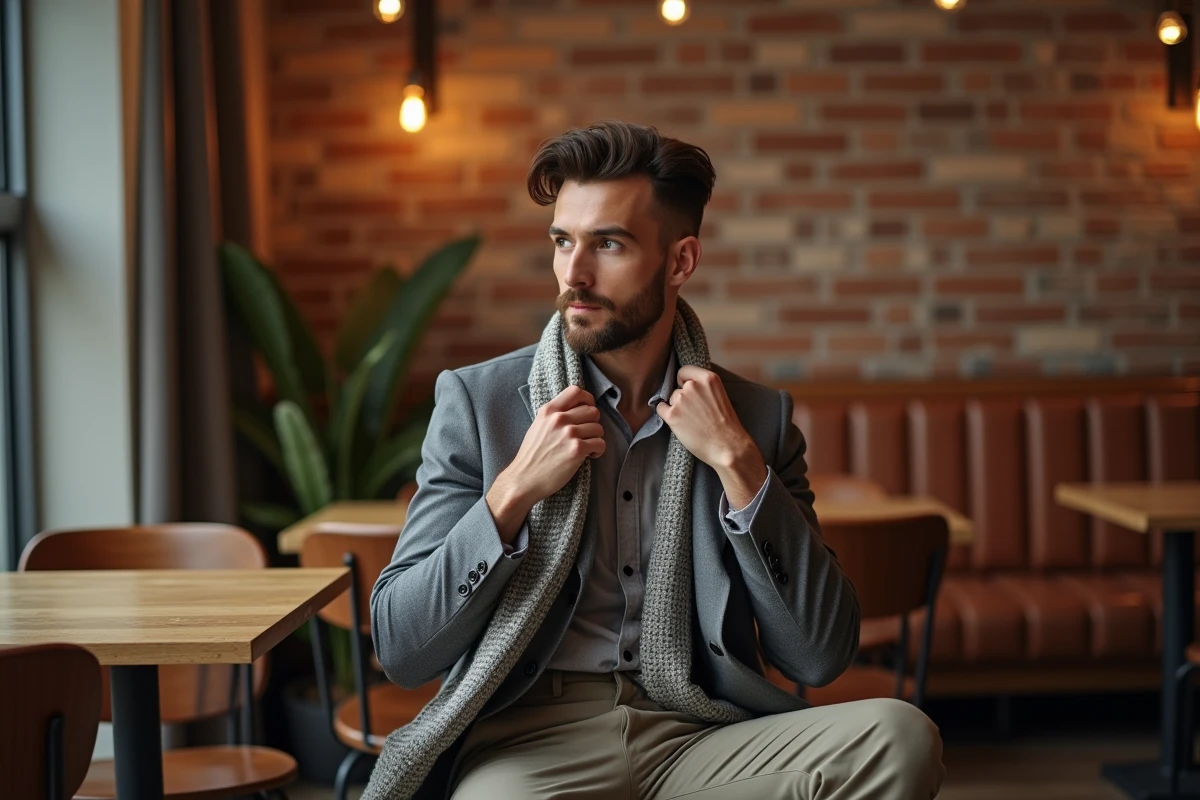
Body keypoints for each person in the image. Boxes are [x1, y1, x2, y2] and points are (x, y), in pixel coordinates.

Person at [364, 120, 945, 800]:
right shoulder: (480, 403)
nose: (574, 275)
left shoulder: (755, 419)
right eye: (562, 242)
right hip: (530, 742)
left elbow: (818, 654)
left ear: (680, 261)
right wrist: (512, 492)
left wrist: (740, 466)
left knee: (901, 736)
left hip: (698, 732)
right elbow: (402, 649)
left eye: (608, 244)